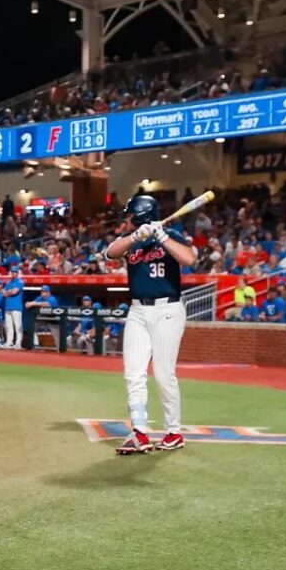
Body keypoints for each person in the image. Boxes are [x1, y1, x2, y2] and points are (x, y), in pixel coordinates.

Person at [105, 193, 197, 454]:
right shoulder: (131, 240)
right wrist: (136, 236)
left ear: (141, 214)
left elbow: (188, 259)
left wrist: (161, 236)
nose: (126, 219)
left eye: (130, 215)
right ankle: (139, 433)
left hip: (167, 309)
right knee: (133, 373)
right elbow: (110, 253)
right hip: (137, 311)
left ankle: (173, 431)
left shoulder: (171, 235)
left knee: (164, 373)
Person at [2, 267, 25, 348]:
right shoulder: (8, 282)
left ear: (17, 273)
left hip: (16, 307)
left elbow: (15, 292)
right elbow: (3, 293)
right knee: (8, 327)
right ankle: (9, 342)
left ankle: (18, 343)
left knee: (18, 326)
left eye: (14, 272)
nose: (13, 273)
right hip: (8, 307)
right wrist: (9, 292)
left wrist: (8, 292)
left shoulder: (20, 282)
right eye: (12, 272)